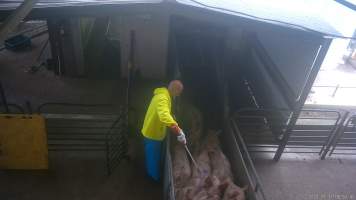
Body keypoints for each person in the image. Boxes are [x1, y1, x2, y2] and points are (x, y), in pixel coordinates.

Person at [141, 80, 186, 181]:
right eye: (179, 92)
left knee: (153, 157)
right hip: (152, 134)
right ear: (175, 90)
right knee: (153, 159)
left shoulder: (163, 95)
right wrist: (178, 130)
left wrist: (172, 116)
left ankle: (153, 174)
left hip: (153, 131)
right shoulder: (163, 98)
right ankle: (153, 180)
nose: (178, 95)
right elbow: (163, 115)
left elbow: (164, 111)